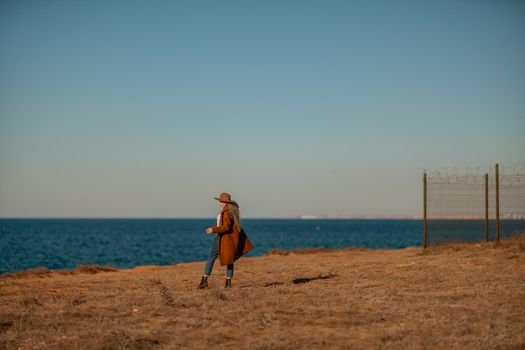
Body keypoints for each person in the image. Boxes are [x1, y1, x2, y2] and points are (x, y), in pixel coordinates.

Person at [198, 192, 254, 289]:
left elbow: (225, 227)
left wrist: (213, 229)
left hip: (222, 238)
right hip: (228, 240)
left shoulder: (226, 212)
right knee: (229, 260)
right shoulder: (231, 211)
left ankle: (204, 280)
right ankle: (228, 283)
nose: (219, 202)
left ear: (223, 202)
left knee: (212, 257)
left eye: (220, 201)